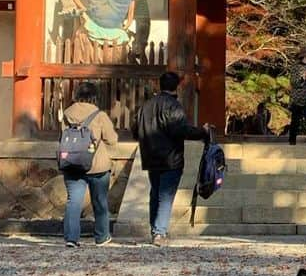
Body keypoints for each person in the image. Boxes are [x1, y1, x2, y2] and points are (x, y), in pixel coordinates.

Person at [133, 71, 210, 246]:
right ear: (177, 87)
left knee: (155, 193)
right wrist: (202, 132)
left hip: (150, 155)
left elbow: (134, 128)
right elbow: (180, 130)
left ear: (159, 85)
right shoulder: (173, 106)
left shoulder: (147, 105)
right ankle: (160, 232)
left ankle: (155, 229)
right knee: (165, 195)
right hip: (170, 156)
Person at [61, 81, 118, 249]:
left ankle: (71, 238)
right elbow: (111, 139)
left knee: (73, 201)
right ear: (94, 97)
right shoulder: (99, 115)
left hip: (72, 164)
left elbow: (63, 137)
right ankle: (101, 237)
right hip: (97, 165)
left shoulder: (66, 114)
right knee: (99, 201)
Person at [288, 53, 306, 146]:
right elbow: (293, 82)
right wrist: (303, 77)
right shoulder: (295, 67)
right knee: (295, 121)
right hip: (297, 98)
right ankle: (292, 140)